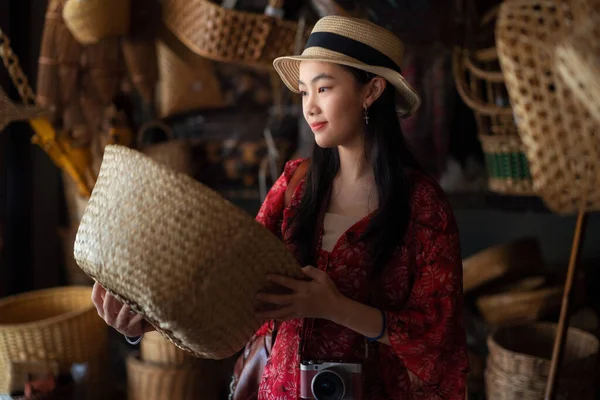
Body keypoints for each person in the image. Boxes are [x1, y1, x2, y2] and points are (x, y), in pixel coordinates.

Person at [92, 15, 469, 400]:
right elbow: (232, 285)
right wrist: (147, 321)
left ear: (371, 90)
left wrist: (335, 307)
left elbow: (436, 335)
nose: (310, 107)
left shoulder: (423, 204)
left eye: (323, 88)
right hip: (281, 388)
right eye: (304, 92)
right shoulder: (296, 185)